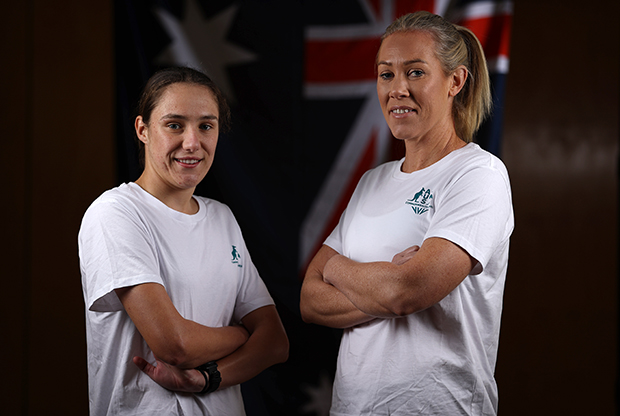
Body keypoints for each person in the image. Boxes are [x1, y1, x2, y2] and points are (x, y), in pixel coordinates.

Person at [300, 11, 513, 416]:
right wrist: (388, 280)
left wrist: (338, 270)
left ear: (456, 81)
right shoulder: (371, 182)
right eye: (386, 75)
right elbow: (310, 301)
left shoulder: (479, 175)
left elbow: (405, 293)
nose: (398, 89)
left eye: (415, 72)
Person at [79, 66, 289, 415]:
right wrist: (242, 335)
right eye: (174, 125)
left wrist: (209, 378)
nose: (192, 143)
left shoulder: (222, 218)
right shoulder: (116, 213)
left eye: (206, 126)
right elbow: (175, 345)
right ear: (142, 130)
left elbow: (276, 343)